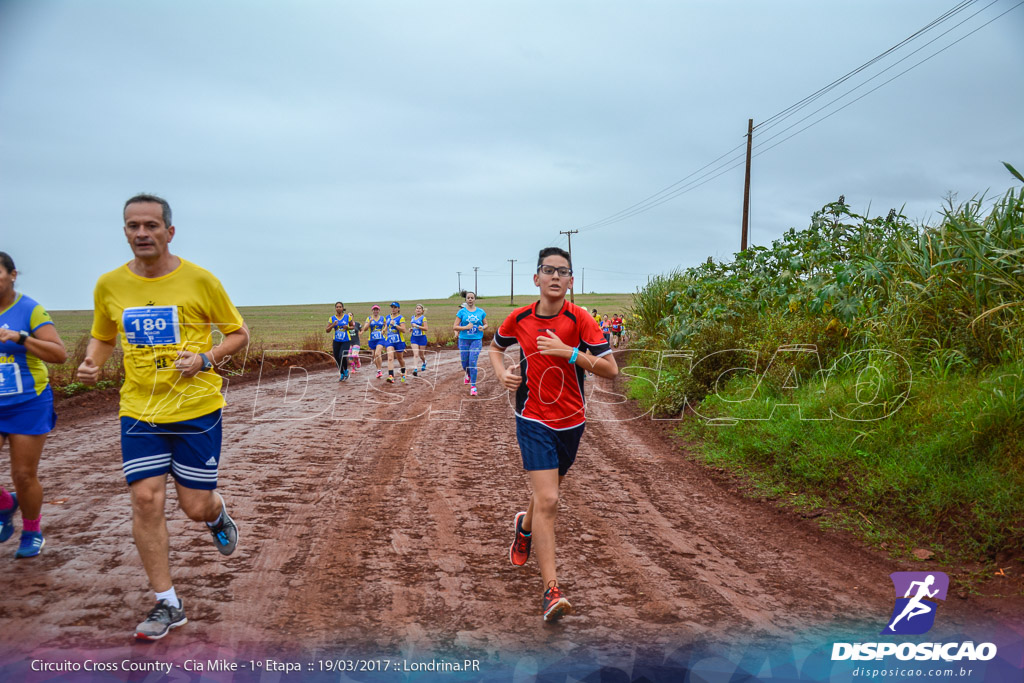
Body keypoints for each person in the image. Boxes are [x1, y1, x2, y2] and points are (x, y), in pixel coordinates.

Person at [76, 194, 249, 641]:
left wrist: (205, 359)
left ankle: (215, 515)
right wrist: (93, 361)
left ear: (169, 232)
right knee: (146, 500)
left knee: (194, 506)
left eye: (151, 225)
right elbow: (102, 336)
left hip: (196, 410)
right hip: (139, 410)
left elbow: (238, 334)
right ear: (125, 232)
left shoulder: (199, 280)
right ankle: (167, 602)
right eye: (133, 226)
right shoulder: (109, 285)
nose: (141, 233)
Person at [489, 247, 617, 623]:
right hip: (532, 418)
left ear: (571, 281)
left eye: (563, 272)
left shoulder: (580, 320)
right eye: (549, 270)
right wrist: (501, 374)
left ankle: (524, 527)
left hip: (572, 421)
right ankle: (551, 591)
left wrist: (569, 353)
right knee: (549, 499)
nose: (556, 277)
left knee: (545, 496)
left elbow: (609, 369)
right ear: (537, 279)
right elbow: (496, 348)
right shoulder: (520, 318)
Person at [0, 252, 67, 559]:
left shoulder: (29, 310)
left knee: (23, 475)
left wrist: (22, 337)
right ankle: (5, 503)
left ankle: (31, 530)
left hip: (27, 402)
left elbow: (58, 354)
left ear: (12, 275)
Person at [454, 292, 487, 396]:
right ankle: (468, 373)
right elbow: (455, 327)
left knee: (472, 362)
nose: (470, 299)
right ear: (466, 300)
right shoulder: (461, 312)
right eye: (468, 298)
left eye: (472, 298)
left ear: (474, 299)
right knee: (464, 363)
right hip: (463, 340)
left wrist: (483, 327)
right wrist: (465, 328)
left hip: (476, 340)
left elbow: (486, 323)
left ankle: (473, 386)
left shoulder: (481, 312)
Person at [325, 302, 353, 381]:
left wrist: (347, 327)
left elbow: (352, 326)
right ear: (335, 308)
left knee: (342, 355)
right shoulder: (332, 318)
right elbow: (327, 330)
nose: (338, 308)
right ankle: (342, 373)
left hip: (346, 340)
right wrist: (333, 325)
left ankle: (346, 370)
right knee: (337, 358)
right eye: (337, 307)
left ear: (342, 308)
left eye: (340, 307)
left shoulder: (347, 317)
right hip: (336, 340)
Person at [384, 302, 408, 383]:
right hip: (390, 341)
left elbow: (404, 330)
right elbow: (387, 326)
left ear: (398, 309)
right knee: (390, 357)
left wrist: (395, 325)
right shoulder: (387, 317)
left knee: (400, 358)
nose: (393, 309)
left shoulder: (401, 318)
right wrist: (383, 330)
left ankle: (403, 371)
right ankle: (391, 376)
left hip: (399, 341)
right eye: (392, 307)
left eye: (395, 307)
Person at [364, 305, 387, 379]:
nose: (375, 311)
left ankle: (380, 370)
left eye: (377, 310)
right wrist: (369, 323)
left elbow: (387, 325)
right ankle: (378, 370)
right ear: (372, 311)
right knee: (374, 356)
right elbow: (365, 329)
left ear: (379, 310)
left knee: (378, 353)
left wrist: (384, 330)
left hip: (380, 339)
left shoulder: (382, 318)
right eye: (374, 310)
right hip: (372, 339)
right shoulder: (369, 318)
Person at [408, 304, 429, 377]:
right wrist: (411, 329)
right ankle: (415, 369)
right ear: (415, 310)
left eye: (420, 308)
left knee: (421, 355)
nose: (418, 309)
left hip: (422, 338)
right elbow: (412, 326)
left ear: (422, 311)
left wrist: (417, 326)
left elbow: (426, 328)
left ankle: (424, 362)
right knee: (416, 354)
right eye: (417, 308)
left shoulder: (423, 318)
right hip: (414, 338)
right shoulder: (412, 317)